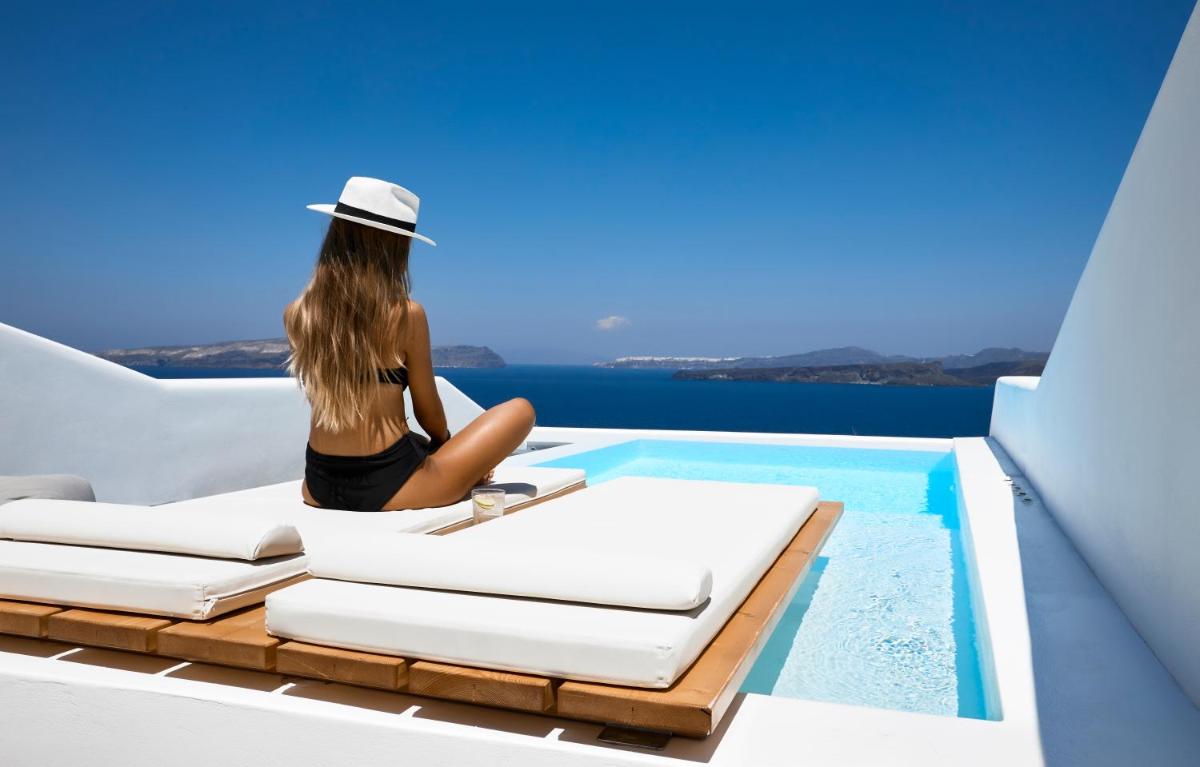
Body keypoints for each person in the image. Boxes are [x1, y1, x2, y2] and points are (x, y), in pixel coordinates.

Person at [285, 177, 534, 511]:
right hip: (390, 484)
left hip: (318, 484)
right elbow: (428, 413)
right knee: (521, 410)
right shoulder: (406, 315)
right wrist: (445, 446)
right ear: (395, 248)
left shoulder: (298, 314)